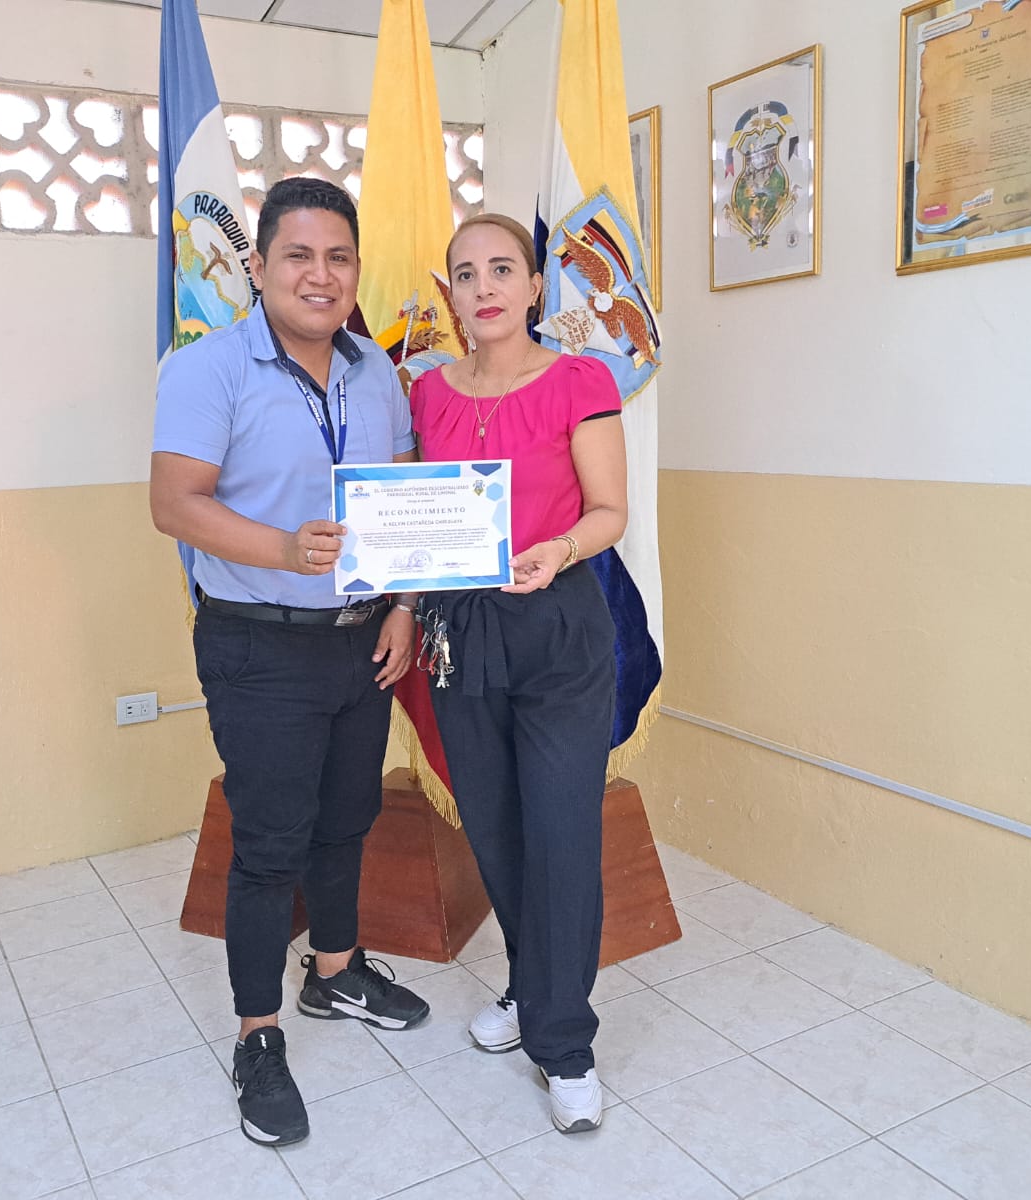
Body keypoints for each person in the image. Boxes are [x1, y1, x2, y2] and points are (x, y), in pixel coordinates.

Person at [150, 177, 430, 1148]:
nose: (321, 274)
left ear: (355, 271)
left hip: (363, 637)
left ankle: (335, 973)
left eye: (339, 257)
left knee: (348, 819)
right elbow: (174, 502)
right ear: (260, 267)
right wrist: (282, 548)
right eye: (300, 255)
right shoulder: (207, 367)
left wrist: (403, 607)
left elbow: (404, 496)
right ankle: (257, 1034)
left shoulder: (375, 369)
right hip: (257, 640)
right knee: (271, 842)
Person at [407, 212, 626, 1133]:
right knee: (495, 827)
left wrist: (559, 550)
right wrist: (401, 602)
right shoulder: (425, 393)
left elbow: (610, 510)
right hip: (461, 632)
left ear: (536, 286)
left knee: (561, 831)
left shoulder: (581, 380)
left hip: (557, 625)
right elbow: (414, 516)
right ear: (451, 294)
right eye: (466, 273)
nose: (485, 286)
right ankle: (530, 985)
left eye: (503, 269)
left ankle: (564, 1043)